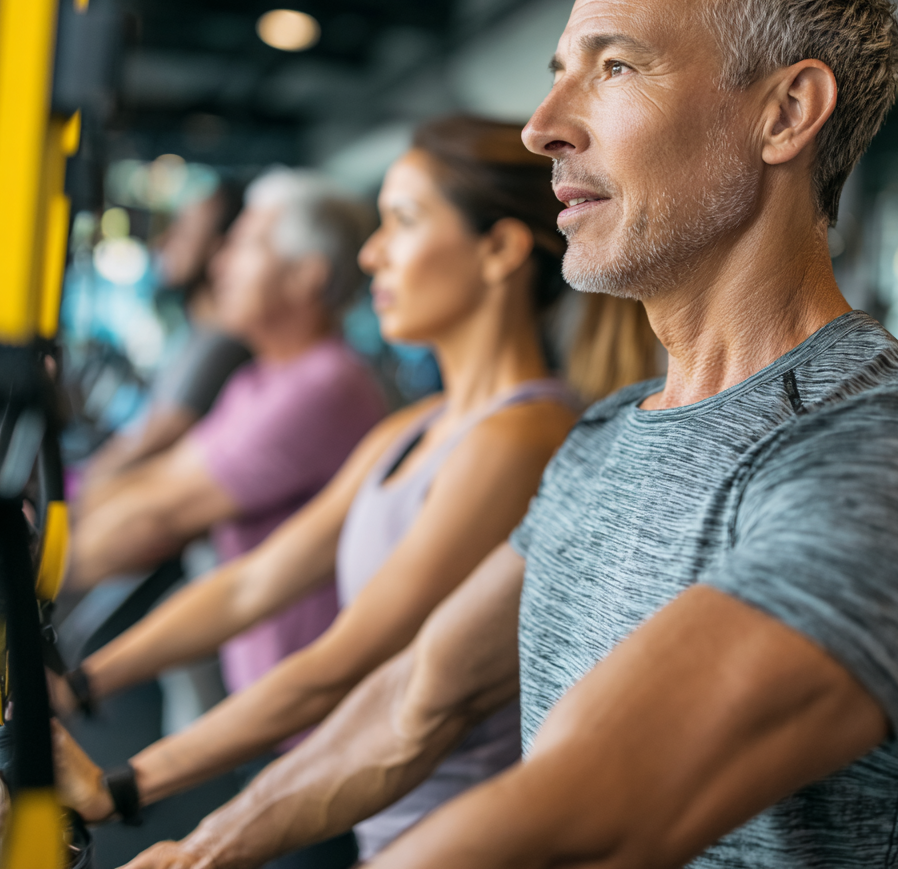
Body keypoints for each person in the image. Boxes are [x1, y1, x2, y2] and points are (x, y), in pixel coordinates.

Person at [114, 0, 898, 869]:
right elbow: (419, 700)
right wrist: (167, 827)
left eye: (615, 66)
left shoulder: (878, 451)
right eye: (557, 74)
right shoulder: (605, 435)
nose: (542, 126)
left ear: (786, 112)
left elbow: (594, 800)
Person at [43, 115, 619, 860]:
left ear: (500, 250)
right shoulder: (410, 430)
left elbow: (342, 665)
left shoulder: (520, 438)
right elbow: (251, 583)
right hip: (378, 830)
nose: (372, 255)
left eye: (402, 222)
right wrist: (80, 680)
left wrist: (125, 784)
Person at [64, 170, 387, 714]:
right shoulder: (256, 380)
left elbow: (159, 519)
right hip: (266, 695)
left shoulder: (325, 385)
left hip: (310, 715)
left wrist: (31, 573)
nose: (220, 264)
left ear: (307, 276)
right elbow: (159, 479)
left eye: (246, 245)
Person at [76, 183, 248, 504]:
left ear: (220, 247)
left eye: (184, 231)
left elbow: (153, 442)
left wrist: (72, 493)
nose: (165, 241)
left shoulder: (221, 344)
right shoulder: (195, 335)